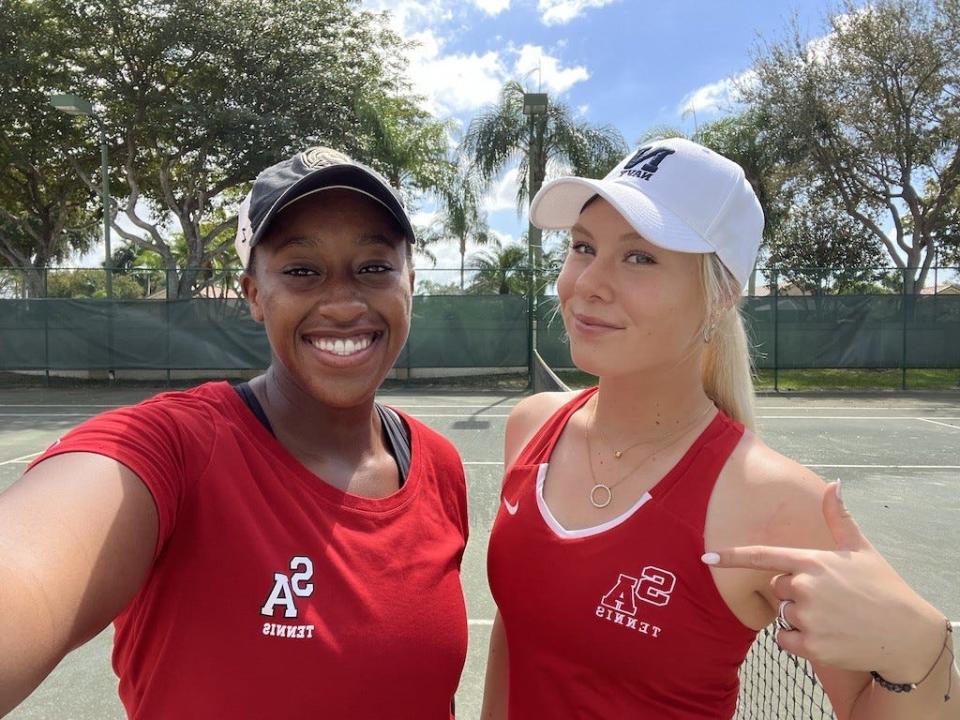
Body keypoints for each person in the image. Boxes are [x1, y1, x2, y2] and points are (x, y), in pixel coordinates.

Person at [481, 138, 957, 719]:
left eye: (639, 257)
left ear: (721, 294)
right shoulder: (530, 427)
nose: (588, 282)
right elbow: (516, 631)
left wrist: (920, 652)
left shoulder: (773, 502)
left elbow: (871, 704)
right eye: (583, 246)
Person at [0, 147, 469, 719]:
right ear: (253, 295)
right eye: (302, 270)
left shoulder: (438, 466)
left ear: (410, 285)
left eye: (374, 266)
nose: (344, 303)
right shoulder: (172, 447)